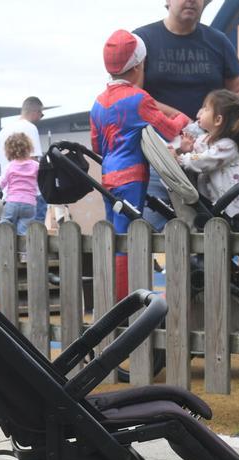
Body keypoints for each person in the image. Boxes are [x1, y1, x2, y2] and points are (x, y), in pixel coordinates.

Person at [134, 0, 239, 230]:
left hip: (209, 165)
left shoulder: (218, 41)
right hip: (157, 157)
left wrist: (222, 119)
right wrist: (178, 116)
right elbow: (133, 96)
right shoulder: (143, 40)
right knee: (153, 236)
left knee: (208, 241)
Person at [91, 29, 189, 299]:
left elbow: (97, 146)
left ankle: (112, 297)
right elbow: (168, 130)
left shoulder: (98, 103)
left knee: (113, 238)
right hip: (132, 178)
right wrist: (182, 117)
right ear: (137, 66)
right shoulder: (139, 99)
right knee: (129, 241)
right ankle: (126, 304)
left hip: (108, 176)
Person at [176, 89, 239, 219]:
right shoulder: (204, 139)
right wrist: (186, 150)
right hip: (217, 202)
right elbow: (197, 155)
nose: (200, 112)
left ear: (218, 120)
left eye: (206, 109)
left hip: (234, 205)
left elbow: (204, 160)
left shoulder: (228, 146)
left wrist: (182, 159)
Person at [0, 97, 47, 222]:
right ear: (36, 112)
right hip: (31, 197)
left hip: (8, 197)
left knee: (7, 234)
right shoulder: (30, 128)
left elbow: (1, 166)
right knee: (31, 235)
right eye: (41, 115)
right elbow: (34, 160)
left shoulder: (3, 132)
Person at [0, 132, 39, 235]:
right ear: (29, 147)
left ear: (9, 151)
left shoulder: (10, 166)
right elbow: (43, 182)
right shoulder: (36, 166)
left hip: (12, 203)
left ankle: (5, 247)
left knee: (5, 227)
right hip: (30, 204)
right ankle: (23, 250)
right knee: (24, 232)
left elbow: (1, 183)